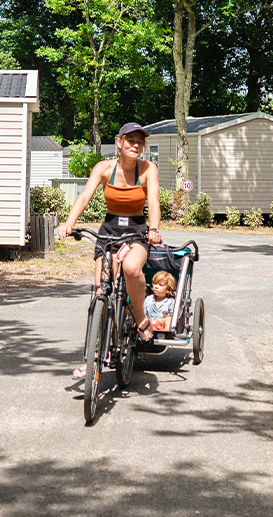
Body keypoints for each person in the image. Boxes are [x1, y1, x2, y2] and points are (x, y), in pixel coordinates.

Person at [57, 122, 162, 379]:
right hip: (108, 232)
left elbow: (154, 201)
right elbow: (84, 197)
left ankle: (139, 319)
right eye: (130, 140)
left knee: (131, 267)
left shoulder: (148, 169)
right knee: (100, 293)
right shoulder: (104, 168)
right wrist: (69, 224)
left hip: (137, 232)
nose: (136, 145)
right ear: (119, 142)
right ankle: (92, 359)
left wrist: (154, 229)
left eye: (140, 142)